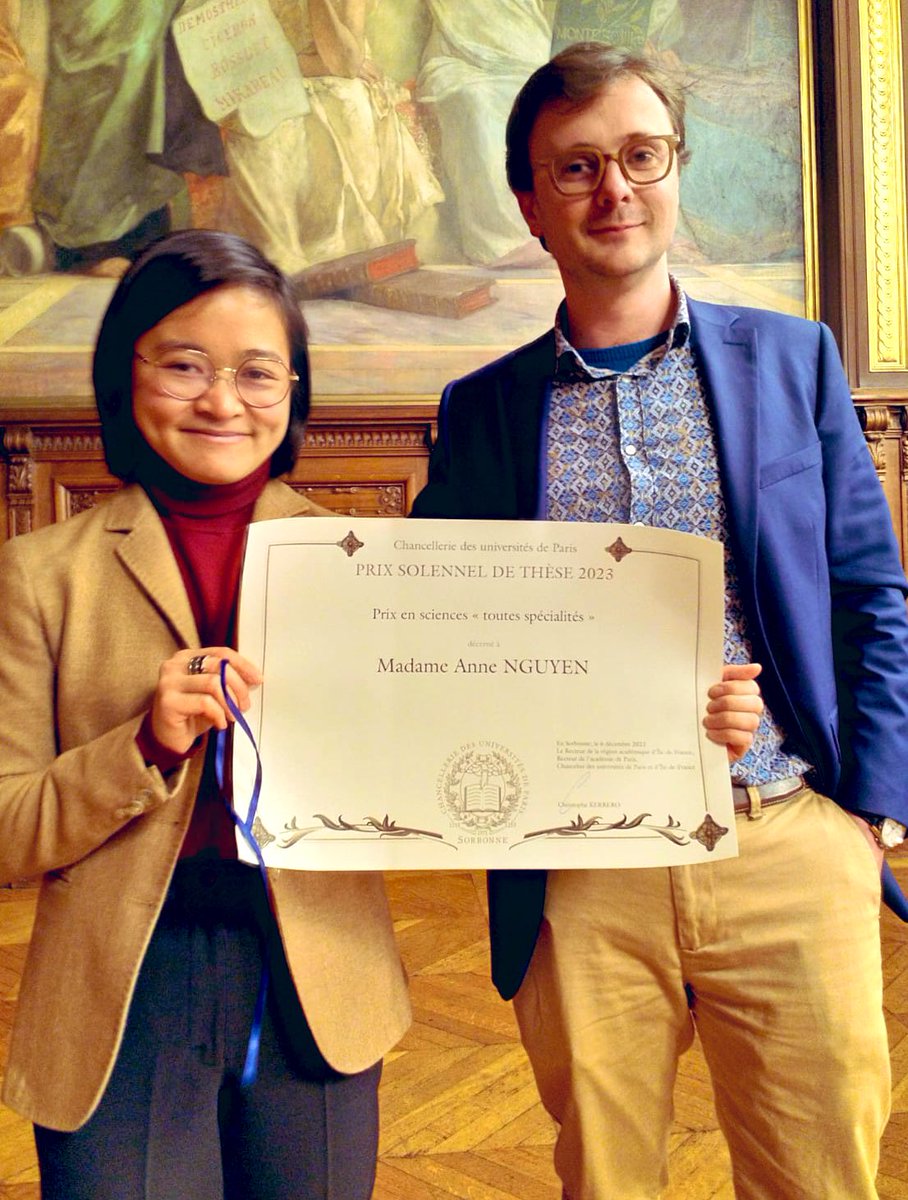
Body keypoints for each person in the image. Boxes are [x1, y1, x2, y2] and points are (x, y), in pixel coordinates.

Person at [412, 41, 908, 1199]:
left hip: (781, 837)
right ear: (529, 203)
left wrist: (868, 815)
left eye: (640, 156)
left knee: (817, 1178)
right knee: (606, 1180)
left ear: (675, 168)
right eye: (576, 167)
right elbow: (441, 634)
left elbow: (868, 593)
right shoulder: (483, 411)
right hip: (582, 871)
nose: (614, 190)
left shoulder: (792, 362)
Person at [0, 229, 410, 1199]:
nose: (223, 402)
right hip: (118, 985)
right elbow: (7, 830)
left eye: (257, 373)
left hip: (320, 978)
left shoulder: (375, 566)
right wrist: (143, 744)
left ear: (294, 391)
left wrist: (659, 727)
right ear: (125, 372)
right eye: (184, 365)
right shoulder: (38, 576)